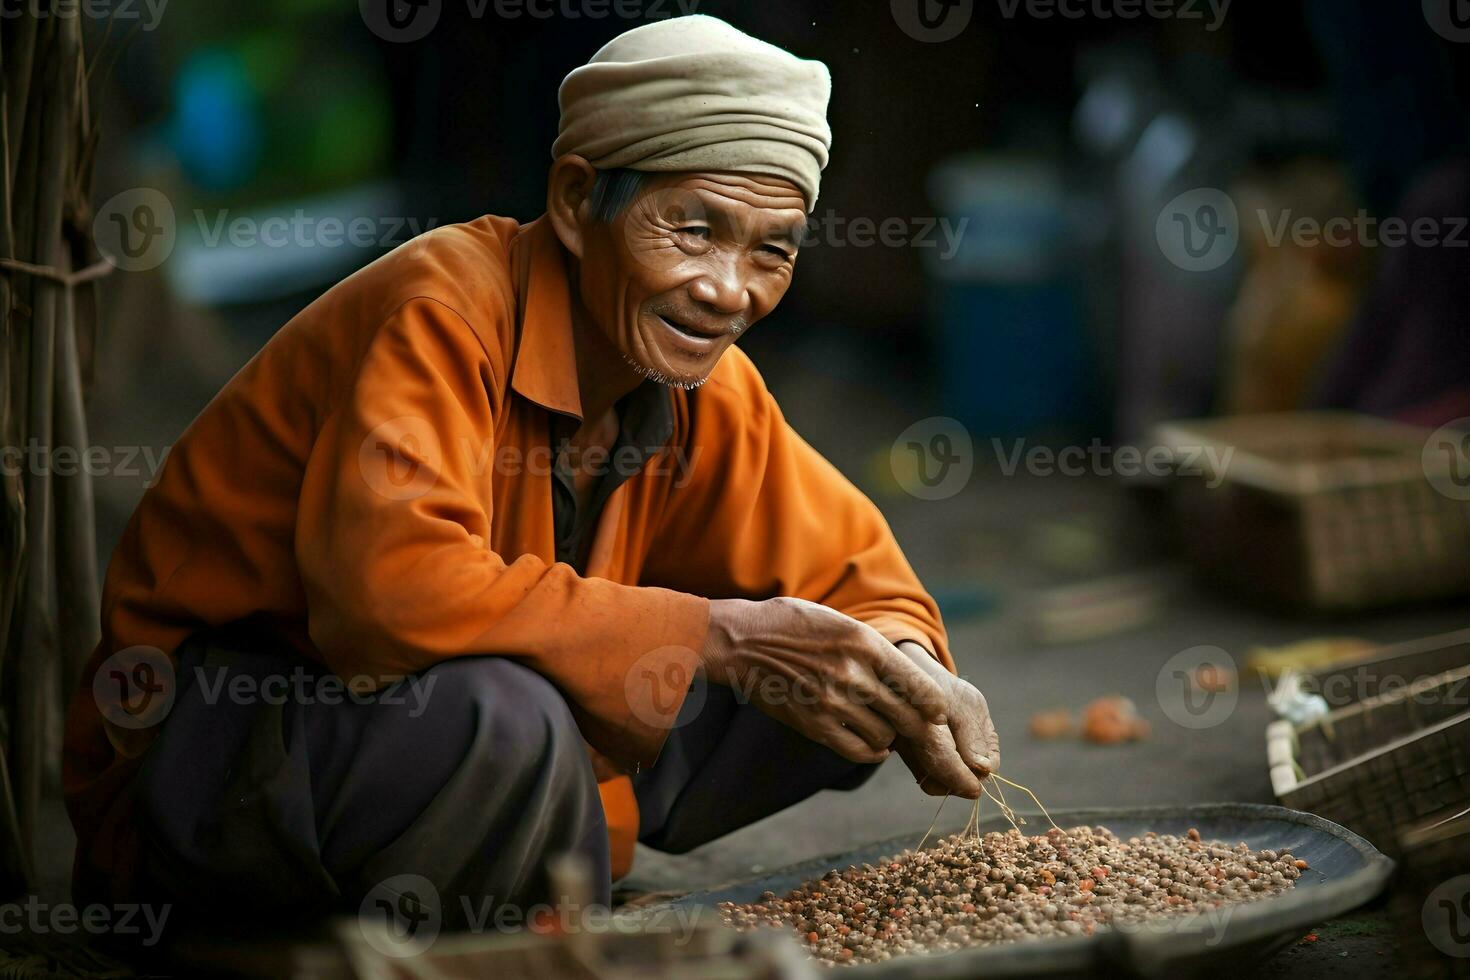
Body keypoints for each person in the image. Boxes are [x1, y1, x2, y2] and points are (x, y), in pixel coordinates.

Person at [64, 15, 999, 933]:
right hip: (203, 762)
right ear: (574, 201)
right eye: (694, 229)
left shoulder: (698, 382)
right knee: (512, 720)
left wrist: (907, 668)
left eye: (771, 250)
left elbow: (858, 577)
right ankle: (484, 904)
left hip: (449, 742)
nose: (728, 290)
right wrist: (725, 637)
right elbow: (386, 596)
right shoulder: (443, 310)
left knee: (846, 679)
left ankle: (545, 852)